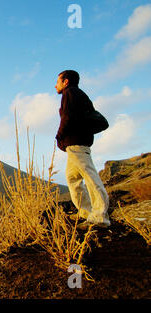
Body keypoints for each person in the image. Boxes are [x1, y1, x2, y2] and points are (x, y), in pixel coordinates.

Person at [54, 70, 110, 230]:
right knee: (72, 178)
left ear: (65, 82)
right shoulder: (77, 94)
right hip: (75, 145)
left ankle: (100, 217)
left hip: (76, 143)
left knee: (90, 177)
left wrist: (59, 136)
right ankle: (85, 211)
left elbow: (67, 116)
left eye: (58, 81)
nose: (55, 85)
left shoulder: (70, 93)